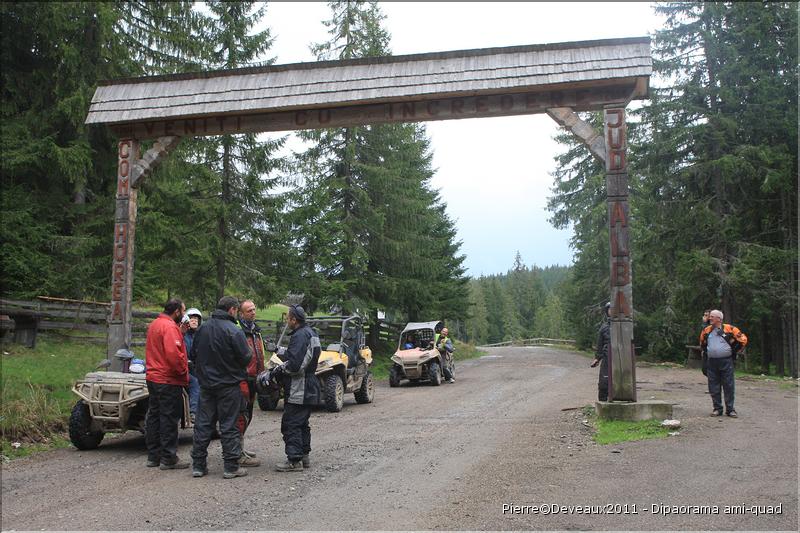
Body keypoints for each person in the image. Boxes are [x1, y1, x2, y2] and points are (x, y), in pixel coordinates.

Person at [190, 296, 253, 479]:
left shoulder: (202, 329)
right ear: (232, 310)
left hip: (207, 385)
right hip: (228, 385)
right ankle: (231, 466)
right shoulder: (234, 331)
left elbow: (193, 354)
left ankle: (199, 465)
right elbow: (246, 357)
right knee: (229, 425)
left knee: (203, 424)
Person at [144, 298, 190, 470]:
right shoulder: (169, 327)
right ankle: (168, 457)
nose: (184, 315)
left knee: (154, 416)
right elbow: (172, 354)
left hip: (153, 377)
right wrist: (183, 372)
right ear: (177, 311)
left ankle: (153, 456)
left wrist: (181, 334)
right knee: (169, 418)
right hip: (168, 379)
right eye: (183, 311)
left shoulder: (156, 324)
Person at [275, 304, 321, 472]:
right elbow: (300, 355)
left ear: (294, 320)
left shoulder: (300, 336)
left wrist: (278, 370)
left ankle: (294, 460)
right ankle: (304, 456)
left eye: (288, 318)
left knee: (291, 423)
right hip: (309, 384)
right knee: (302, 423)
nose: (287, 321)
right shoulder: (311, 333)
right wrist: (278, 351)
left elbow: (295, 365)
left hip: (299, 386)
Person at [699, 309, 747, 418]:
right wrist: (707, 353)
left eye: (712, 316)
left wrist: (735, 350)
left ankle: (730, 409)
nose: (709, 318)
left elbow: (743, 340)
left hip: (726, 361)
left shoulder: (730, 329)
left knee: (728, 385)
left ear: (719, 319)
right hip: (712, 362)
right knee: (713, 385)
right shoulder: (706, 330)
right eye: (709, 316)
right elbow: (702, 343)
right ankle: (717, 408)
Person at [235, 299, 265, 467]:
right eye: (249, 311)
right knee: (241, 415)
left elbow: (259, 352)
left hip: (256, 378)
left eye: (254, 309)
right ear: (241, 313)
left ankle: (241, 447)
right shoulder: (239, 330)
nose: (253, 312)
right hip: (243, 378)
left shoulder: (255, 330)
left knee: (249, 414)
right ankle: (237, 451)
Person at [183, 308, 203, 419]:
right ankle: (193, 411)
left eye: (196, 319)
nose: (194, 321)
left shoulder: (201, 335)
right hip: (185, 368)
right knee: (195, 382)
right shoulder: (183, 335)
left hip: (198, 368)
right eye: (191, 318)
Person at [590, 302, 611, 402]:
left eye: (613, 309)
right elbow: (600, 344)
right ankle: (603, 402)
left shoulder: (624, 326)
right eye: (609, 309)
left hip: (621, 359)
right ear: (607, 312)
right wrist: (597, 358)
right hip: (607, 357)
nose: (612, 311)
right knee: (604, 381)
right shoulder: (604, 327)